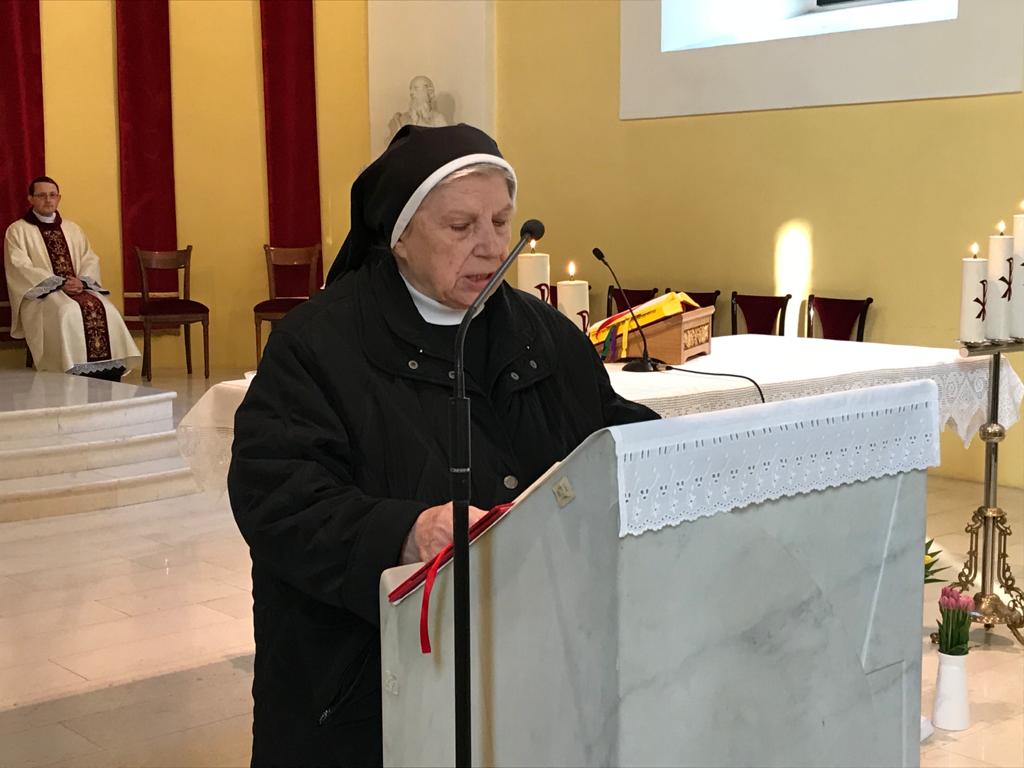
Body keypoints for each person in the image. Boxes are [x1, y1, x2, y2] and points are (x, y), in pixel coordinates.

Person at [228, 124, 658, 767]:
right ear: (399, 237)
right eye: (461, 226)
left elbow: (605, 433)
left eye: (502, 222)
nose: (491, 246)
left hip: (531, 664)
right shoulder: (318, 343)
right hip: (365, 684)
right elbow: (277, 496)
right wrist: (404, 532)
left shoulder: (544, 333)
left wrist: (674, 452)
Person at [3, 176, 141, 381]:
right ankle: (70, 368)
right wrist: (58, 283)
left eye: (52, 195)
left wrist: (82, 281)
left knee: (108, 309)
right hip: (42, 294)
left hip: (78, 287)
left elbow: (89, 258)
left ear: (59, 198)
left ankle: (109, 370)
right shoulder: (18, 230)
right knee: (66, 311)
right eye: (41, 195)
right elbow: (20, 266)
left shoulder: (72, 229)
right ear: (30, 199)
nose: (48, 200)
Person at [387, 75, 448, 140]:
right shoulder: (402, 119)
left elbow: (444, 142)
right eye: (410, 89)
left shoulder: (438, 119)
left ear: (429, 92)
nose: (411, 93)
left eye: (416, 88)